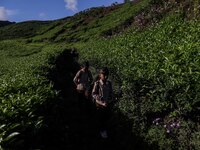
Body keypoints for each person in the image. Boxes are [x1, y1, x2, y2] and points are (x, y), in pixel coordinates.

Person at [92, 67, 113, 139]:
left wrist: (109, 100)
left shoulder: (109, 83)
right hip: (99, 105)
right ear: (100, 75)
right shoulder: (97, 83)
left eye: (107, 75)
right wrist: (100, 101)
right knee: (100, 119)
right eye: (104, 75)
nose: (106, 76)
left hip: (106, 105)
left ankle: (103, 132)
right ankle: (101, 133)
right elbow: (94, 94)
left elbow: (111, 94)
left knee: (105, 119)